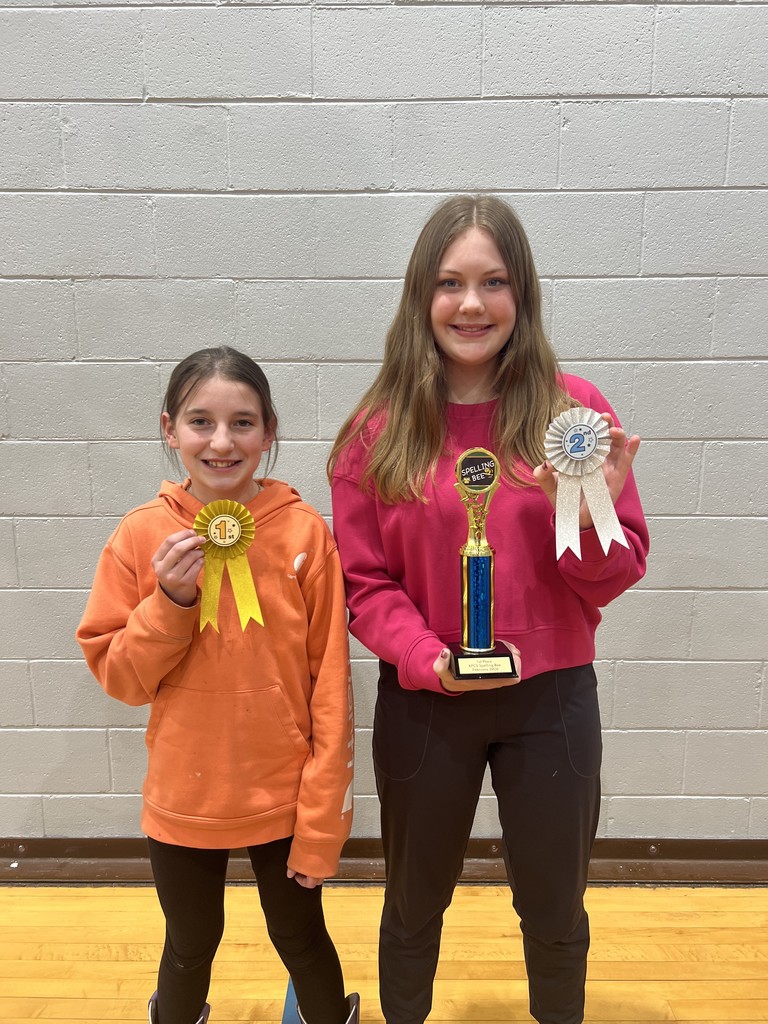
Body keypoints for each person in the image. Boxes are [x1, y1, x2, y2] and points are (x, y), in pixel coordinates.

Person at [327, 195, 649, 1024]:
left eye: (494, 281)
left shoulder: (573, 417)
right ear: (421, 297)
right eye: (450, 283)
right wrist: (424, 657)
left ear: (522, 294)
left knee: (553, 910)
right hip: (427, 701)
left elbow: (612, 577)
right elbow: (364, 585)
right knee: (412, 905)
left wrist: (583, 514)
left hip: (552, 700)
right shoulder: (376, 431)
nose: (471, 304)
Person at [77, 347, 359, 1024]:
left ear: (269, 430)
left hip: (283, 797)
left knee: (298, 934)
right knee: (189, 943)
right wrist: (169, 604)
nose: (222, 441)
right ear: (170, 429)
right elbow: (120, 677)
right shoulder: (140, 535)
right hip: (184, 793)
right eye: (201, 422)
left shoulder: (305, 535)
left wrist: (323, 823)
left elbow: (332, 690)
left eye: (243, 422)